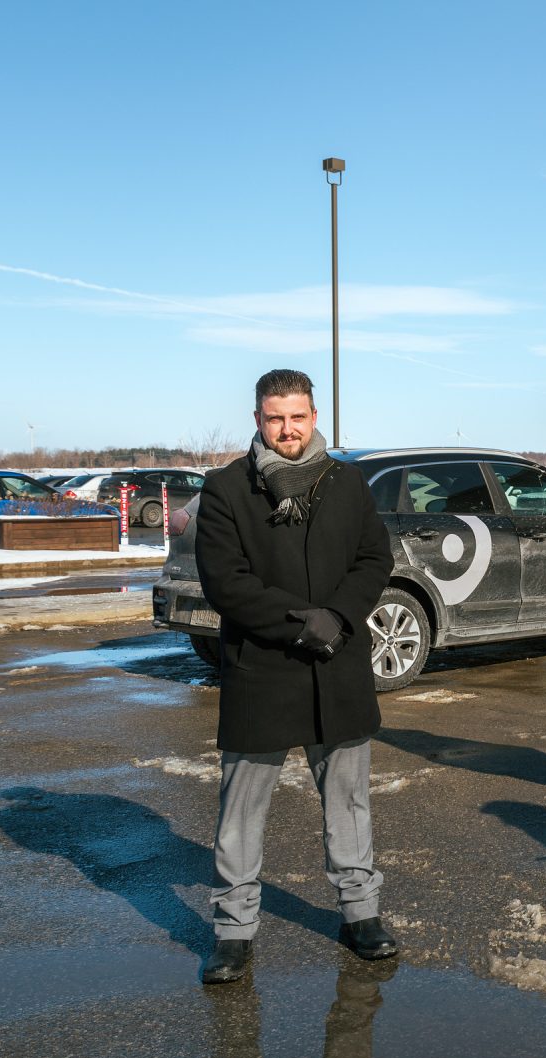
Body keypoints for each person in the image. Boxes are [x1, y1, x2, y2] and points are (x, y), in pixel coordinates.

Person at [195, 369, 398, 984]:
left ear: (315, 418)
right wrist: (299, 624)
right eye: (276, 417)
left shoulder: (346, 482)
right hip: (262, 667)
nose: (288, 428)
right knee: (242, 808)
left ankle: (360, 915)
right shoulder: (228, 488)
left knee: (349, 802)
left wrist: (334, 617)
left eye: (299, 416)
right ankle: (233, 931)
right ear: (258, 420)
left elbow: (374, 559)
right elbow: (225, 582)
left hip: (337, 665)